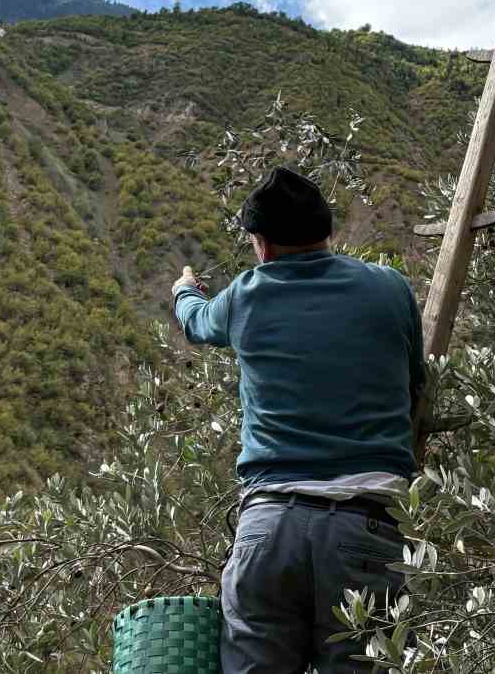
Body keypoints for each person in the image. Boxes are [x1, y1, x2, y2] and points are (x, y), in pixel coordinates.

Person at [172, 166, 424, 674]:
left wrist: (184, 290)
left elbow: (198, 324)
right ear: (327, 232)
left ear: (260, 244)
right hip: (368, 527)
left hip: (269, 528)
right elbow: (415, 379)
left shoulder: (247, 295)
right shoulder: (390, 289)